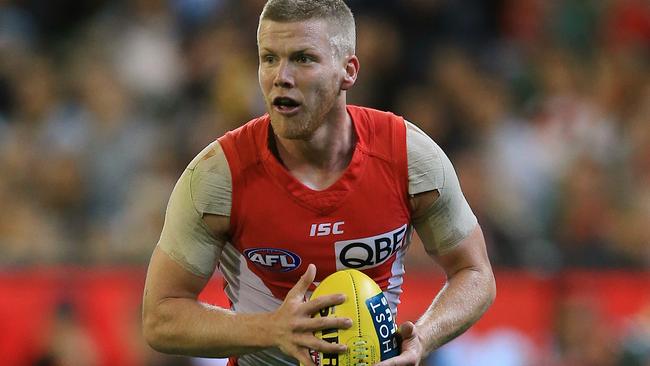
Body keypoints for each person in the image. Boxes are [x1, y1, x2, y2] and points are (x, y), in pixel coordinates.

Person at [142, 1, 496, 365]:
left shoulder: (409, 157)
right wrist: (268, 329)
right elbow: (160, 318)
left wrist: (423, 337)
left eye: (303, 59)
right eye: (269, 58)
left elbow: (474, 272)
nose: (281, 76)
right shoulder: (219, 175)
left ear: (348, 71)